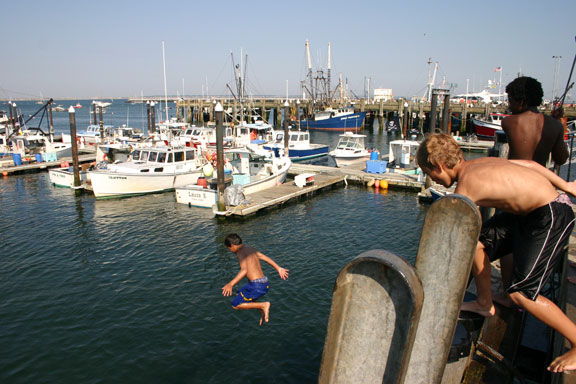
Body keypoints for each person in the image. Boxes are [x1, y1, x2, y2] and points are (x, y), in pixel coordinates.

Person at [416, 133, 576, 372]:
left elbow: (461, 233)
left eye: (431, 174)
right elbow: (531, 165)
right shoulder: (477, 164)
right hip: (531, 214)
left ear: (439, 165)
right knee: (479, 243)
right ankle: (484, 302)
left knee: (523, 293)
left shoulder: (466, 186)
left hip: (550, 215)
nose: (433, 180)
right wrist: (566, 185)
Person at [222, 233, 289, 326]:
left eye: (229, 249)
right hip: (264, 283)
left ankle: (263, 305)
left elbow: (244, 270)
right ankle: (260, 308)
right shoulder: (250, 249)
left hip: (256, 286)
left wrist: (231, 284)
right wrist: (278, 268)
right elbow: (264, 257)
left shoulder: (239, 253)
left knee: (235, 304)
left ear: (232, 246)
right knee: (239, 293)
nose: (230, 251)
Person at [502, 76, 568, 167]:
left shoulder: (508, 122)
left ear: (521, 102)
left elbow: (529, 126)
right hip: (539, 178)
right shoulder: (556, 125)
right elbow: (561, 159)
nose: (509, 106)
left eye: (510, 101)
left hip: (514, 177)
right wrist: (560, 124)